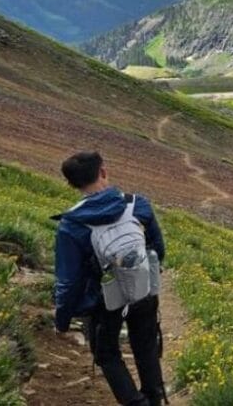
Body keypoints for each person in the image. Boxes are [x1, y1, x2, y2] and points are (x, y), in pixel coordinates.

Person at [53, 151, 167, 406]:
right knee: (146, 347)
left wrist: (62, 320)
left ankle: (136, 403)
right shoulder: (138, 204)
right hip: (143, 289)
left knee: (106, 353)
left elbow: (68, 281)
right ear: (103, 172)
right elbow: (158, 249)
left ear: (71, 184)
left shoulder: (71, 225)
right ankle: (154, 397)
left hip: (104, 298)